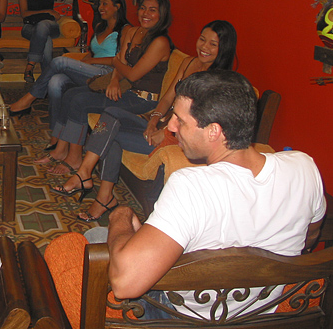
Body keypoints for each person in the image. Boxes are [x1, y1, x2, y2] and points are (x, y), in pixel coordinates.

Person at [96, 70, 325, 320]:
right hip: (260, 314)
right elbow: (310, 239)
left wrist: (121, 215)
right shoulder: (304, 167)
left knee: (97, 237)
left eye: (180, 121)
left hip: (185, 317)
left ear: (213, 131)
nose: (171, 126)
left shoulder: (190, 185)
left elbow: (124, 283)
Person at [55, 20, 237, 221]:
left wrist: (166, 132)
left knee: (110, 134)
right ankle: (93, 183)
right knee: (112, 115)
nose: (204, 47)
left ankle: (92, 186)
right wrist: (153, 121)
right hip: (161, 125)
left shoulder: (219, 81)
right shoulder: (188, 63)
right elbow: (168, 97)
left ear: (224, 49)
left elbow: (197, 121)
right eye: (202, 40)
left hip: (179, 139)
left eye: (213, 44)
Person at [40, 0, 173, 175]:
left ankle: (75, 158)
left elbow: (132, 73)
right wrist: (114, 80)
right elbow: (121, 64)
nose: (145, 14)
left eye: (152, 10)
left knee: (80, 101)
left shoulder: (160, 42)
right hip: (125, 90)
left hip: (142, 100)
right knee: (71, 94)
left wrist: (117, 64)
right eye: (143, 8)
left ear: (162, 14)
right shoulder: (135, 32)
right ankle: (63, 150)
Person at [9, 0, 130, 134]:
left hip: (108, 73)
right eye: (100, 4)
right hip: (93, 69)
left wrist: (91, 60)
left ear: (117, 7)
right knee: (55, 81)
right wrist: (86, 60)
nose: (100, 8)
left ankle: (29, 98)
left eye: (105, 4)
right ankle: (57, 134)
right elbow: (92, 51)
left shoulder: (126, 30)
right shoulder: (100, 27)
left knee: (59, 62)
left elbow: (121, 60)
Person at [19, 0, 66, 83]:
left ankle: (30, 65)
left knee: (44, 25)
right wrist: (48, 11)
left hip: (51, 27)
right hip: (30, 27)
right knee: (47, 42)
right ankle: (47, 81)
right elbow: (24, 13)